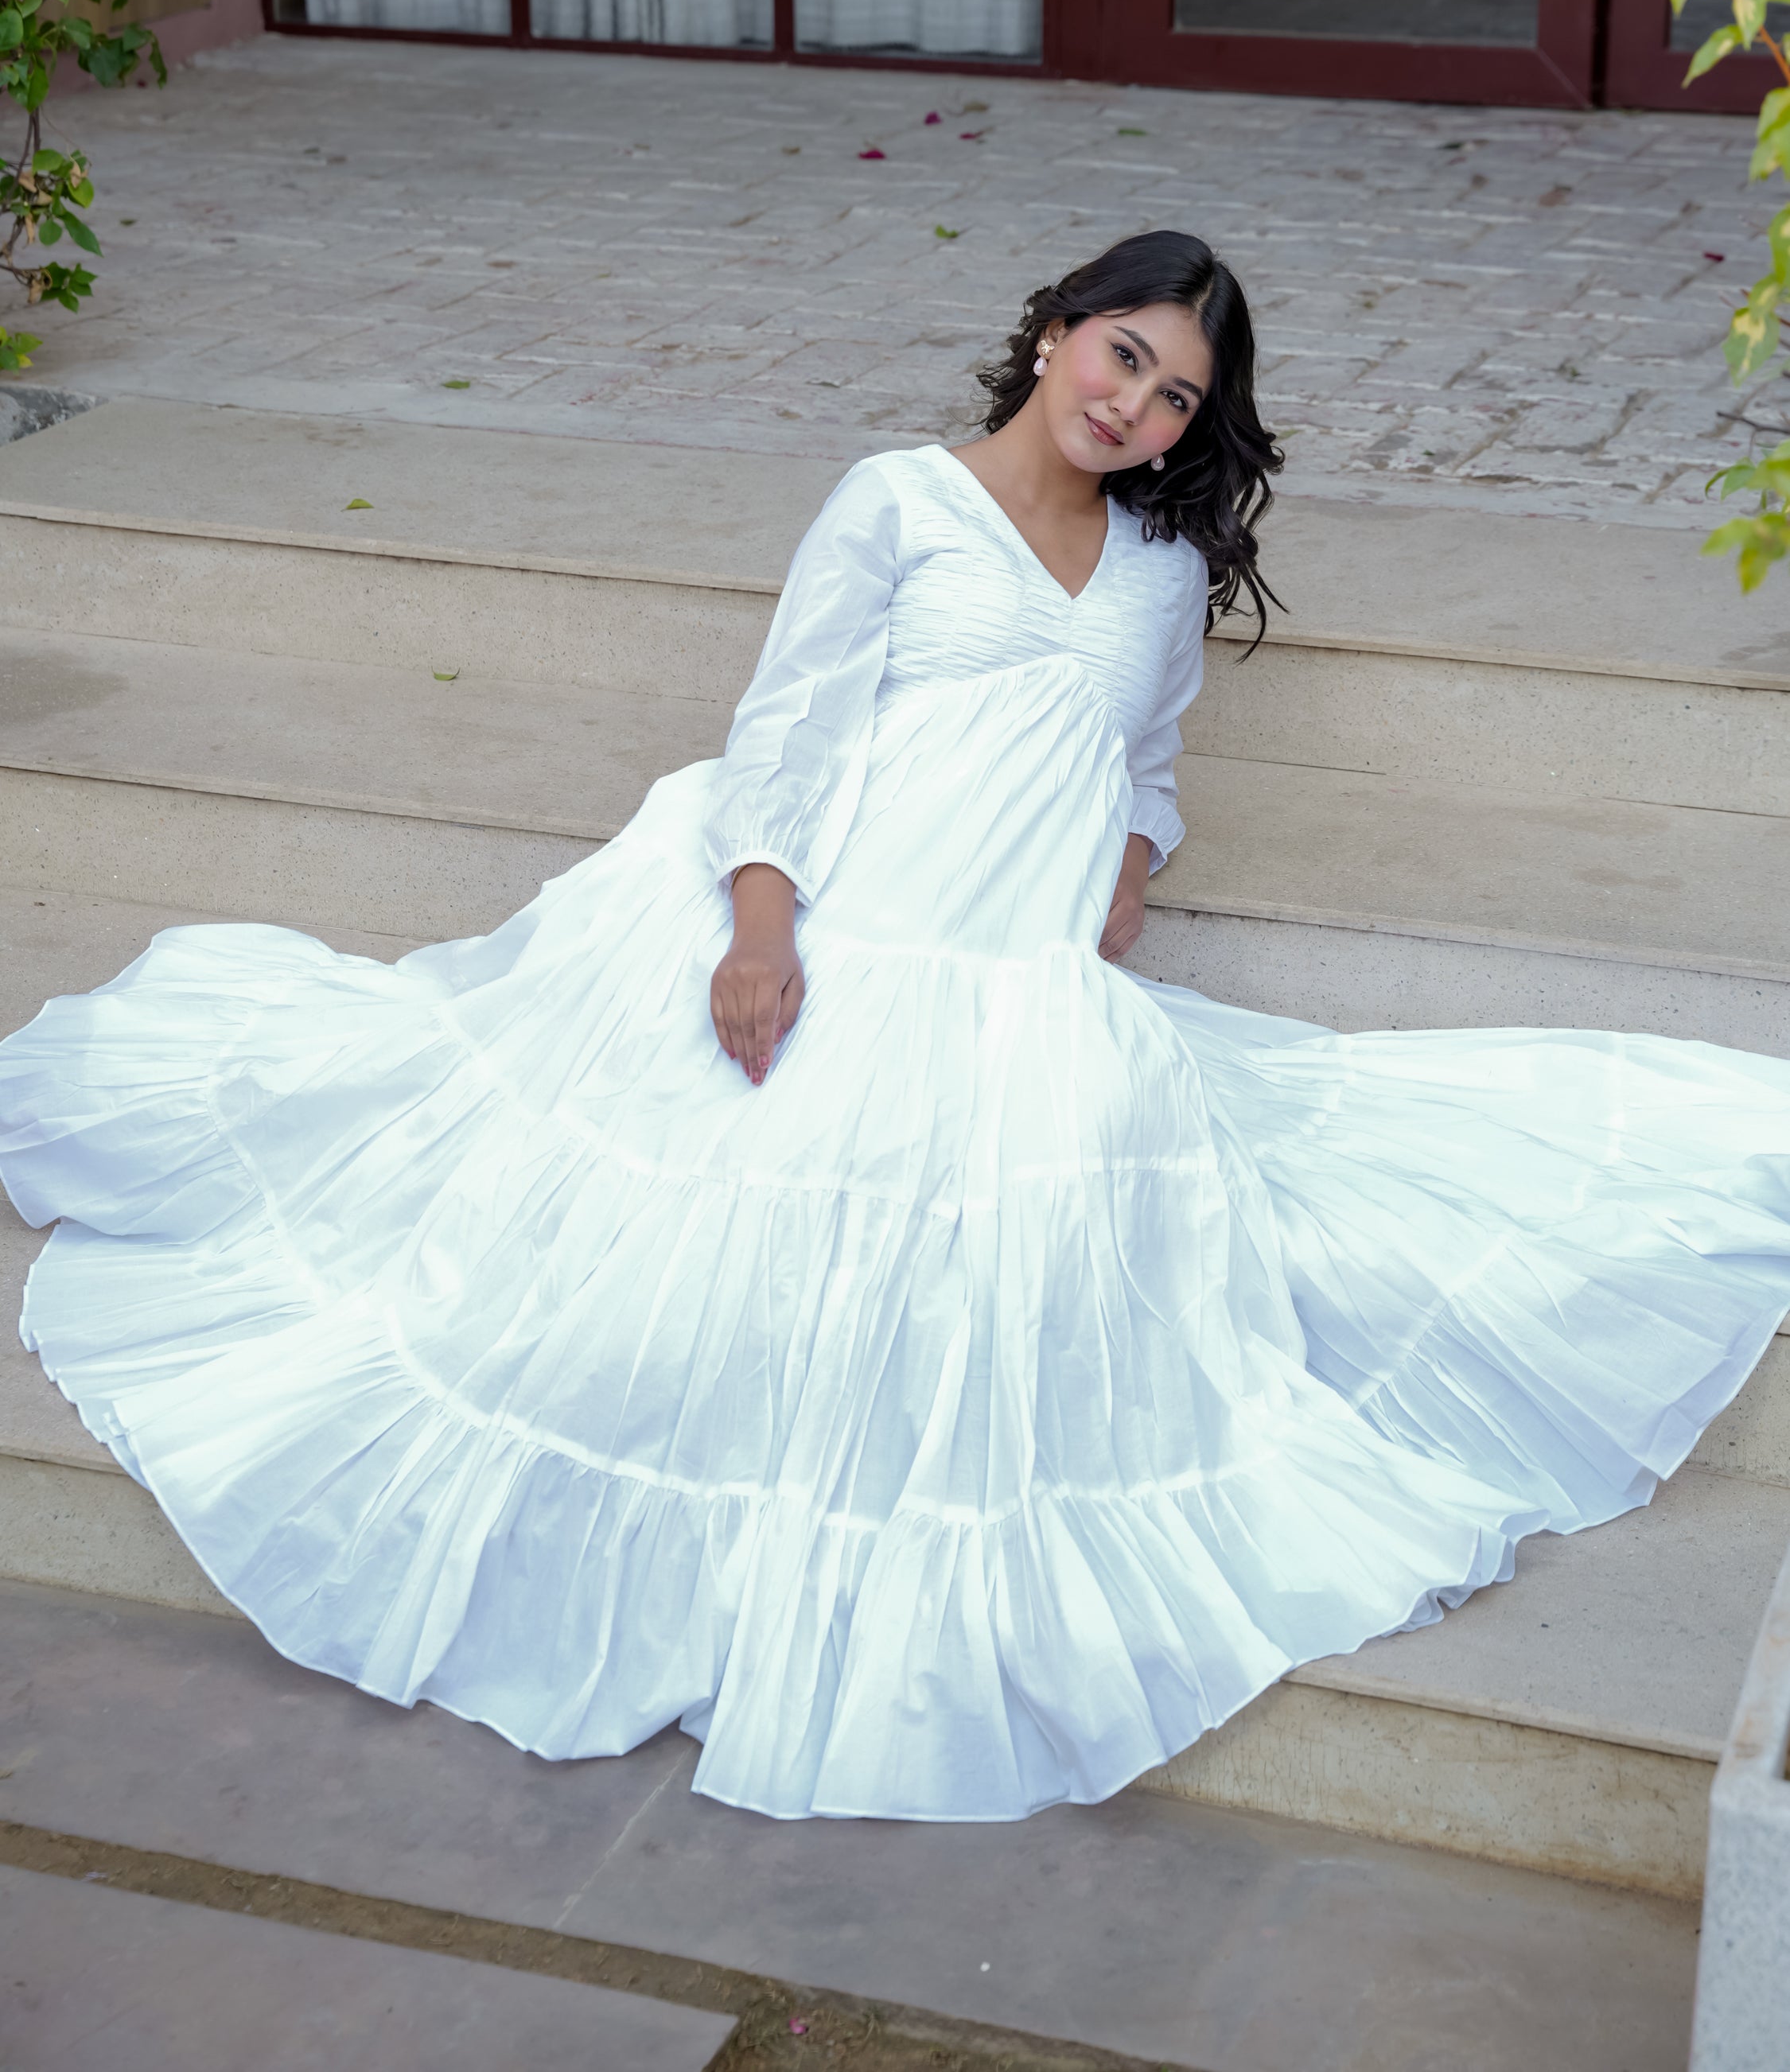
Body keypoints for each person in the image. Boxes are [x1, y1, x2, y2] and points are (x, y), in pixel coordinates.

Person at [2, 231, 1786, 1824]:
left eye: (1175, 398)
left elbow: (1144, 763)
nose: (1138, 407)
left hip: (1019, 969)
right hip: (844, 914)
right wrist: (761, 928)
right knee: (724, 1211)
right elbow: (788, 726)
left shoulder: (1160, 574)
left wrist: (1134, 873)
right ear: (1056, 331)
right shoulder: (897, 500)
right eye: (1124, 356)